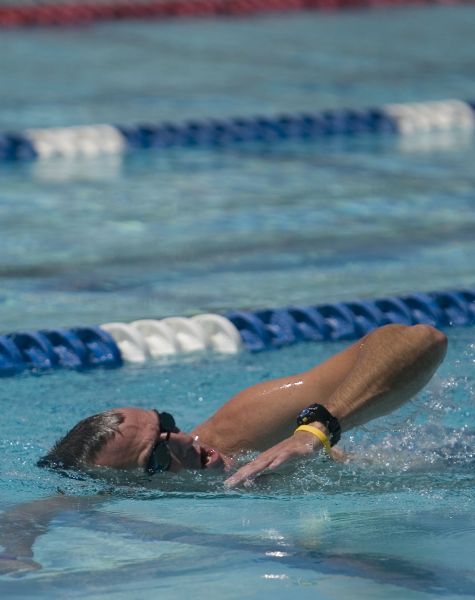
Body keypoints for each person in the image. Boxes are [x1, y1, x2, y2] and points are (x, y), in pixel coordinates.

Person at [38, 324, 447, 488]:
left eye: (166, 424)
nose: (183, 440)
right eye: (160, 455)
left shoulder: (240, 430)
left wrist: (314, 432)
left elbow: (420, 340)